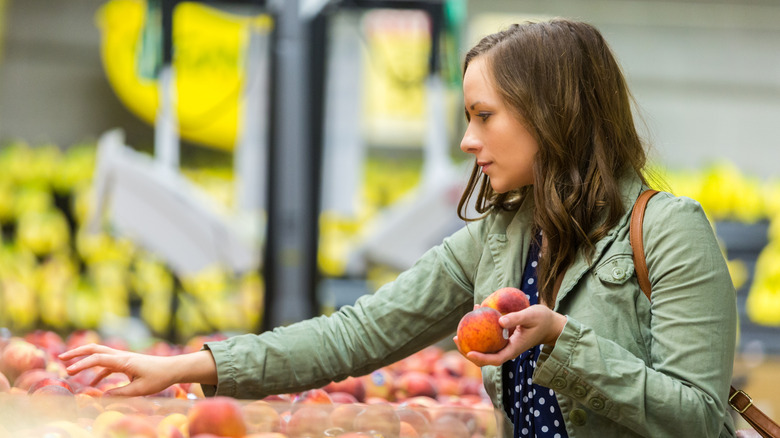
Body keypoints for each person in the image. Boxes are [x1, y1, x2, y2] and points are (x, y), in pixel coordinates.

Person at [60, 18, 738, 437]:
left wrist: (565, 340)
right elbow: (358, 333)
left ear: (552, 115)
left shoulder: (669, 233)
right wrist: (189, 366)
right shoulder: (500, 237)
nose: (469, 141)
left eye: (484, 116)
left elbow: (698, 418)